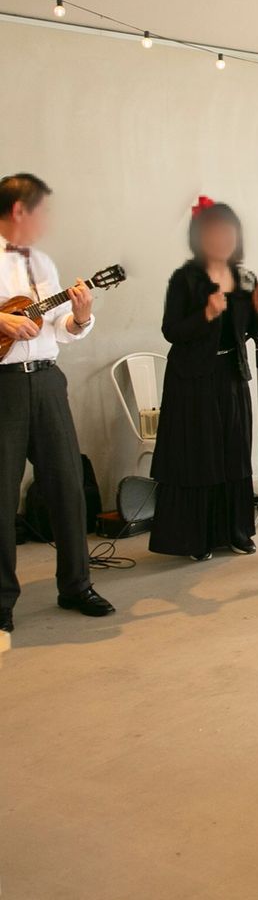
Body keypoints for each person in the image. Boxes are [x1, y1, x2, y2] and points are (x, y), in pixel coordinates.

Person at [0, 173, 116, 632]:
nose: (47, 219)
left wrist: (81, 317)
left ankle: (76, 585)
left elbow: (60, 329)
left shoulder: (44, 263)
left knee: (68, 485)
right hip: (4, 386)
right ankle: (1, 601)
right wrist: (3, 322)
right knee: (2, 495)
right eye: (42, 210)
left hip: (48, 382)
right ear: (19, 210)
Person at [150, 200, 258, 561]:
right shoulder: (185, 278)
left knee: (234, 453)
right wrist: (205, 313)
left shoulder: (245, 277)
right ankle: (197, 539)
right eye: (214, 233)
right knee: (199, 456)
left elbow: (255, 330)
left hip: (231, 374)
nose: (222, 239)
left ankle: (236, 532)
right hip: (192, 379)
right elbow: (172, 331)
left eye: (228, 233)